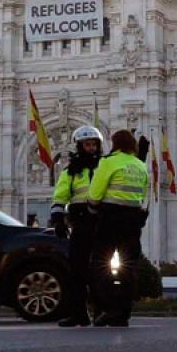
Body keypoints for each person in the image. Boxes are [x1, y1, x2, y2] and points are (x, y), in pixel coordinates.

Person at [88, 129, 150, 327]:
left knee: (101, 264)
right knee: (128, 267)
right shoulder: (140, 165)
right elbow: (143, 193)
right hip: (133, 221)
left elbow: (95, 194)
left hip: (110, 219)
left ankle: (107, 308)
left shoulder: (108, 162)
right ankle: (123, 312)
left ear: (114, 144)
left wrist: (92, 209)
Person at [52, 125, 104, 327]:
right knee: (77, 270)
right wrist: (58, 220)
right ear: (79, 146)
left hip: (101, 224)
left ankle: (102, 311)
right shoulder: (70, 172)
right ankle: (78, 314)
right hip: (80, 223)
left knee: (102, 270)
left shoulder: (104, 167)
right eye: (87, 144)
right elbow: (60, 195)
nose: (91, 148)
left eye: (93, 144)